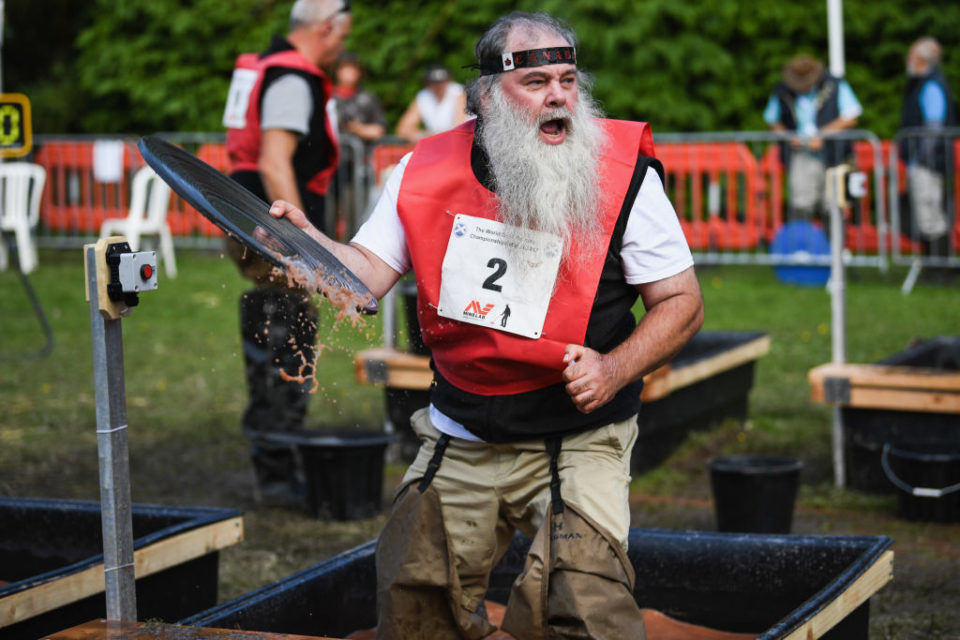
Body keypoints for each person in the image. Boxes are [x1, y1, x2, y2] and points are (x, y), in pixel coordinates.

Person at [269, 11, 702, 639]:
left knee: (584, 608)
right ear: (486, 96)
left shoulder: (620, 171)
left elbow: (682, 301)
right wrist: (310, 247)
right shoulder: (422, 170)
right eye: (536, 83)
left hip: (578, 432)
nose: (558, 95)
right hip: (464, 427)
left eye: (568, 79)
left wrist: (614, 368)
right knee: (414, 599)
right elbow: (364, 275)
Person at [220, 0, 351, 501]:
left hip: (255, 225)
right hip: (271, 233)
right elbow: (275, 162)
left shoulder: (272, 70)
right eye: (342, 36)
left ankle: (279, 456)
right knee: (284, 331)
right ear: (326, 27)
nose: (343, 47)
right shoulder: (293, 79)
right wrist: (305, 246)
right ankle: (277, 469)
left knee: (281, 327)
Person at [764, 54, 863, 220]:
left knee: (833, 203)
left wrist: (822, 135)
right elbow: (772, 120)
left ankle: (834, 243)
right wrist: (789, 137)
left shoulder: (835, 85)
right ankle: (803, 245)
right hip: (801, 154)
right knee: (801, 202)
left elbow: (851, 116)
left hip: (834, 155)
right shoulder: (782, 90)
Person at [900, 37, 957, 255]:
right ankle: (934, 264)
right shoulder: (924, 83)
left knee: (930, 213)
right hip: (926, 160)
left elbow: (934, 127)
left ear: (921, 60)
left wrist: (922, 157)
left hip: (929, 162)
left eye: (912, 56)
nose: (908, 61)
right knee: (926, 213)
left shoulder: (931, 85)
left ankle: (940, 267)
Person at [395, 63, 469, 141]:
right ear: (427, 83)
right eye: (434, 82)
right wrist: (425, 135)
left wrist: (427, 136)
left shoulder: (458, 92)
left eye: (441, 82)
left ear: (448, 81)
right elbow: (403, 130)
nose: (438, 86)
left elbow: (459, 129)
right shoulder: (423, 96)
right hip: (439, 144)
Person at [332, 52, 387, 143]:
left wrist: (357, 129)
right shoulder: (328, 97)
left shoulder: (368, 99)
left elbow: (379, 130)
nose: (351, 72)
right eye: (347, 68)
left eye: (354, 68)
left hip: (361, 153)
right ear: (337, 71)